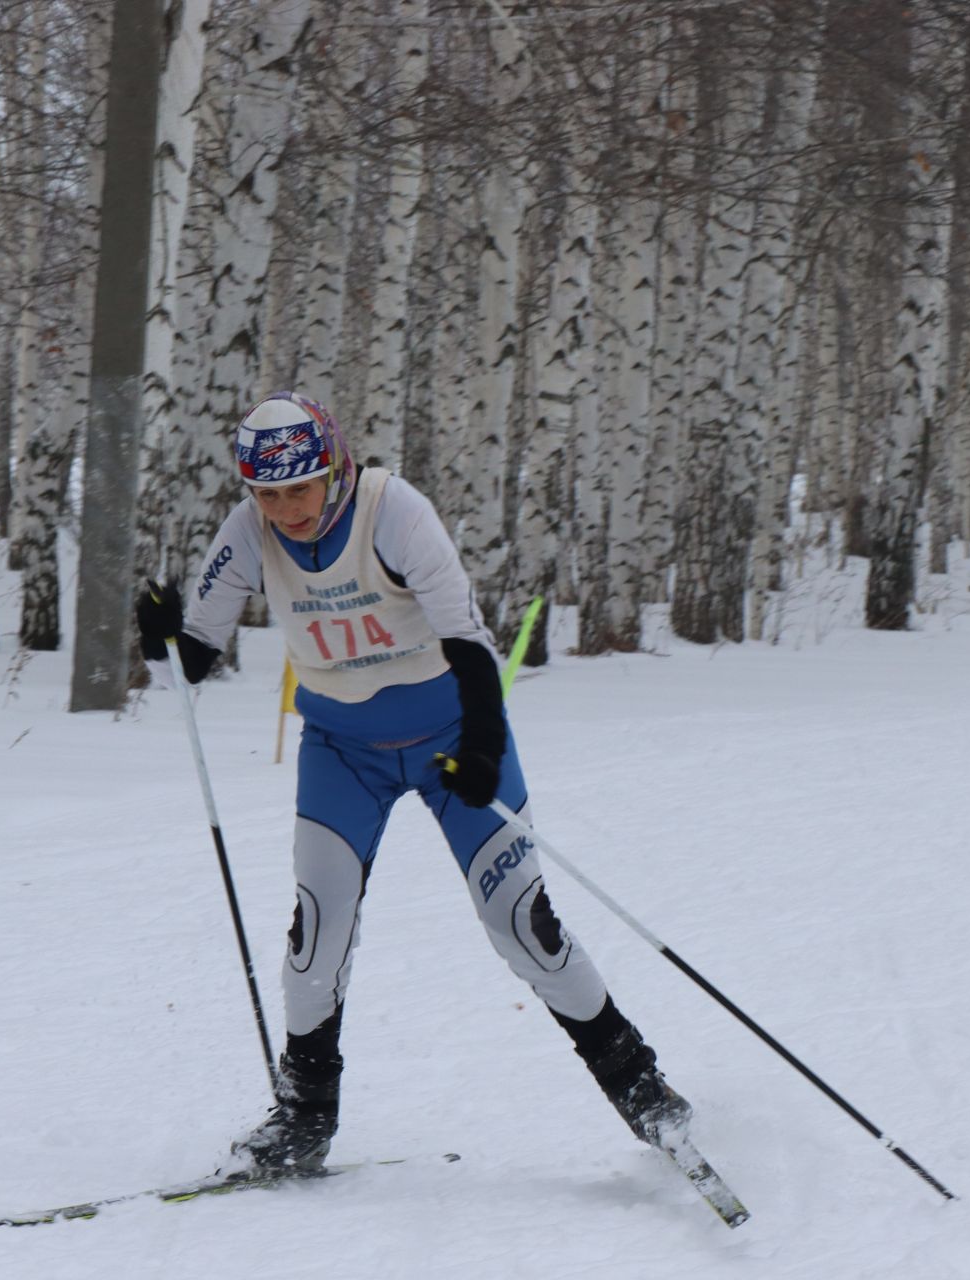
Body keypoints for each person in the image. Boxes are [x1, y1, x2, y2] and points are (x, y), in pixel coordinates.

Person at [135, 391, 689, 1176]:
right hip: (342, 751)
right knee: (315, 938)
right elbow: (191, 662)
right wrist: (159, 633)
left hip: (452, 737)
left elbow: (469, 641)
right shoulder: (249, 535)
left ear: (336, 467)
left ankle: (645, 1092)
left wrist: (484, 752)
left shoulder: (394, 512)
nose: (287, 509)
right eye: (268, 493)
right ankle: (303, 1118)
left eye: (301, 486)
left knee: (521, 923)